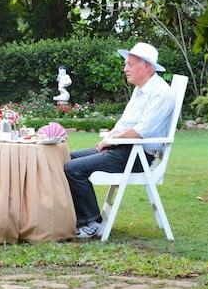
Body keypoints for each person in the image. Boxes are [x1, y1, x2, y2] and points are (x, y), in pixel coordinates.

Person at [63, 42, 175, 239]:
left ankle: (92, 223)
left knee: (73, 169)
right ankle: (76, 217)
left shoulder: (161, 93)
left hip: (137, 155)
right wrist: (110, 137)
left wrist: (111, 141)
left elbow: (141, 131)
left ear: (147, 66)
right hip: (124, 150)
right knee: (66, 158)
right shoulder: (141, 90)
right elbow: (125, 123)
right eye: (126, 64)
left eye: (130, 64)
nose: (125, 69)